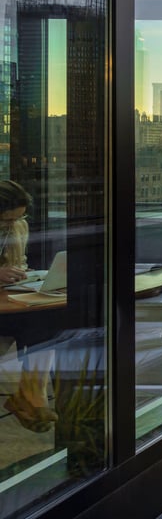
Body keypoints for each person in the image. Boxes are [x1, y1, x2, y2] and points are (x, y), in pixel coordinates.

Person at [0, 180, 56, 432]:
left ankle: (33, 394)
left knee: (44, 317)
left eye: (18, 218)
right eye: (5, 220)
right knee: (39, 322)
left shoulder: (19, 226)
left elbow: (18, 262)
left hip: (7, 303)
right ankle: (30, 398)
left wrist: (26, 275)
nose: (12, 225)